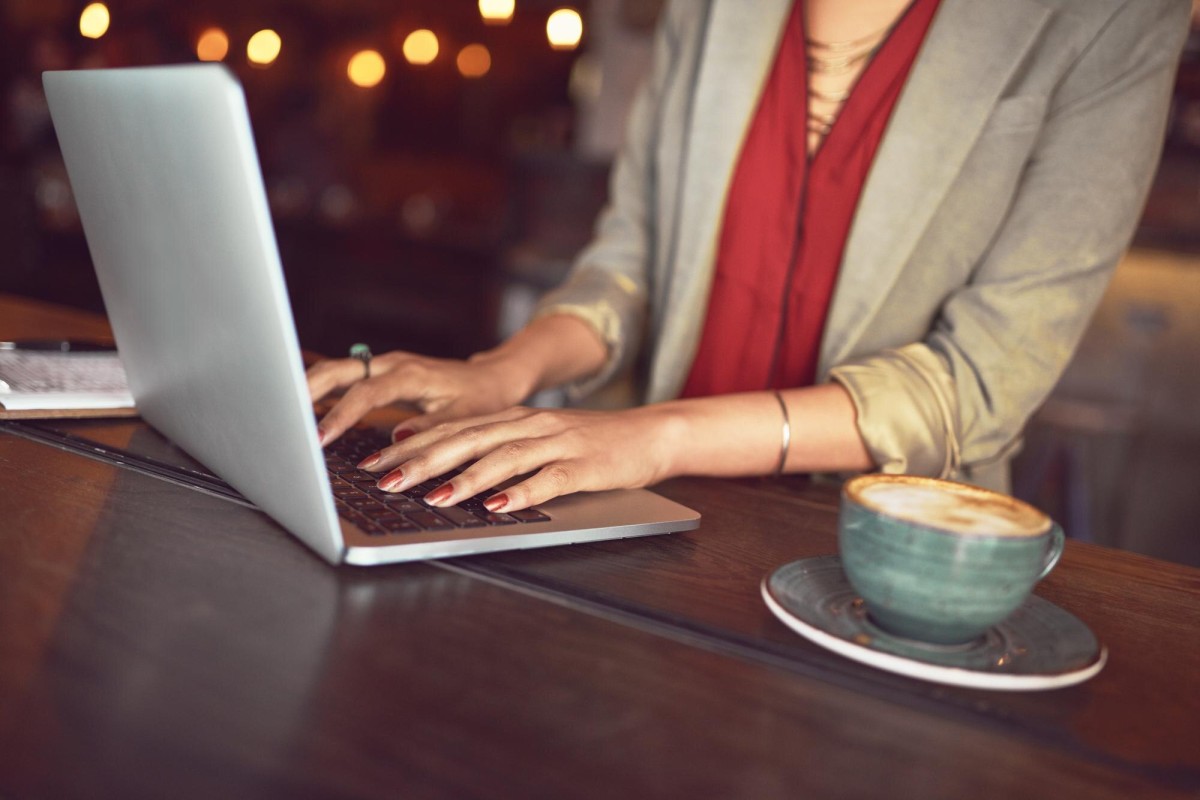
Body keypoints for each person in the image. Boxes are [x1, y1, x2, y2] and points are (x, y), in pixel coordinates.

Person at [307, 0, 1191, 516]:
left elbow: (979, 387)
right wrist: (505, 371)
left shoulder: (1114, 18)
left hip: (874, 541)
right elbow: (630, 264)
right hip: (647, 507)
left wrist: (659, 434)